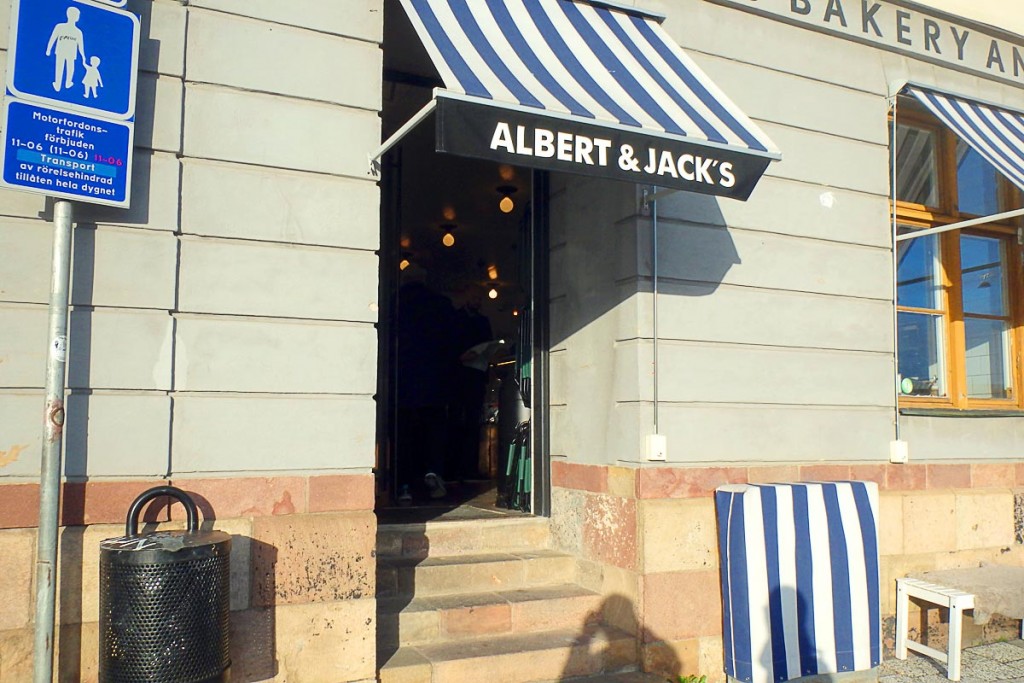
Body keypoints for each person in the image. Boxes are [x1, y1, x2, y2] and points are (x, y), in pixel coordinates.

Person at [395, 265, 458, 499]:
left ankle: (403, 486)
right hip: (435, 381)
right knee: (434, 430)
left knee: (404, 435)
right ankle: (433, 471)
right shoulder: (441, 304)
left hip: (403, 381)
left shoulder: (395, 302)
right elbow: (453, 342)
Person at [450, 286, 493, 479]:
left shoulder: (484, 321)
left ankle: (471, 467)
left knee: (473, 422)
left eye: (479, 299)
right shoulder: (455, 319)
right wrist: (459, 357)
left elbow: (489, 345)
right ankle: (455, 466)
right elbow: (449, 346)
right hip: (458, 376)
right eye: (474, 297)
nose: (477, 302)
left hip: (476, 376)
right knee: (456, 420)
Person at [46, 8, 86, 93]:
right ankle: (57, 84)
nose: (77, 17)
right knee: (59, 67)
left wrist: (83, 56)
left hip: (71, 53)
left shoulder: (78, 32)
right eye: (76, 15)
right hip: (60, 51)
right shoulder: (60, 27)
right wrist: (48, 49)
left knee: (70, 67)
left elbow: (80, 46)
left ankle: (68, 82)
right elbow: (53, 38)